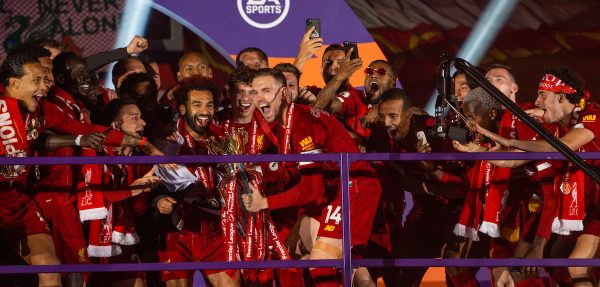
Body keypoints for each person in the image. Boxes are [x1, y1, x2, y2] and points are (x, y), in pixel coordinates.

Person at [242, 68, 381, 287]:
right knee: (293, 249)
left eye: (266, 91)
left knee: (321, 262)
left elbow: (310, 189)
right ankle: (360, 274)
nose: (259, 98)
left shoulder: (303, 122)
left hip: (353, 189)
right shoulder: (280, 123)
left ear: (284, 94)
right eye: (254, 92)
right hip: (332, 191)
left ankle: (355, 272)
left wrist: (265, 203)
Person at [477, 67, 600, 287]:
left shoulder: (592, 114)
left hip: (585, 208)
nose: (537, 101)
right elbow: (515, 159)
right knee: (548, 267)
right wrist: (477, 152)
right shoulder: (556, 126)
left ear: (561, 96)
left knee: (575, 266)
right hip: (586, 208)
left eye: (543, 94)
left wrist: (508, 141)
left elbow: (562, 147)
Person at [370, 88, 466, 287]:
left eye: (393, 116)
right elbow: (400, 180)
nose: (387, 123)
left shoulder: (437, 130)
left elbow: (462, 187)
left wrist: (431, 170)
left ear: (408, 113)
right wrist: (431, 188)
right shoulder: (380, 135)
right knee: (404, 266)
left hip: (457, 209)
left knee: (454, 259)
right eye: (382, 116)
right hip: (425, 207)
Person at [154, 76, 239, 287]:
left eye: (210, 105)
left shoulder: (225, 141)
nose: (205, 111)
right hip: (176, 234)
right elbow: (152, 183)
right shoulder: (166, 141)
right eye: (197, 104)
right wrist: (159, 200)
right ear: (182, 109)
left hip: (217, 235)